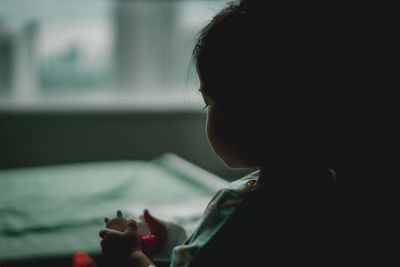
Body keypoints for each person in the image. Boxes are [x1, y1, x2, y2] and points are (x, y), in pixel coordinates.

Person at [99, 0, 385, 266]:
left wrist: (132, 256)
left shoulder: (249, 212)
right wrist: (173, 241)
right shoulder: (326, 188)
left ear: (247, 112)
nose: (207, 112)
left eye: (208, 102)